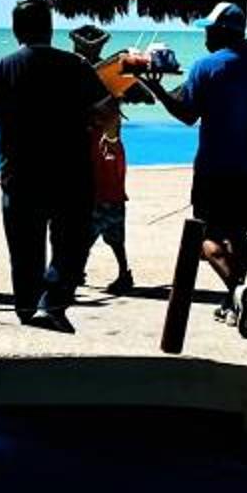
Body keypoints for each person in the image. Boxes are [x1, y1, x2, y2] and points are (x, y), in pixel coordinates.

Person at [145, 2, 247, 338]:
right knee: (239, 235)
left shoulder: (205, 67)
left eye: (209, 29)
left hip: (214, 168)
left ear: (222, 32)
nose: (205, 35)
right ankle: (233, 302)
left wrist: (158, 89)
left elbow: (187, 115)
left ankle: (236, 289)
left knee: (205, 239)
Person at [0, 0, 106, 330]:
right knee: (71, 245)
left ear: (16, 30)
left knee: (24, 249)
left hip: (20, 174)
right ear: (50, 29)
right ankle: (51, 304)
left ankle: (29, 310)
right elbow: (106, 111)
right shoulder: (77, 65)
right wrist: (96, 129)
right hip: (71, 173)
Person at [70, 23, 147, 296]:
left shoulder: (75, 75)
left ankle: (78, 269)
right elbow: (143, 96)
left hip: (96, 150)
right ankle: (119, 271)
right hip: (109, 150)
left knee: (86, 216)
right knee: (107, 215)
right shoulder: (114, 75)